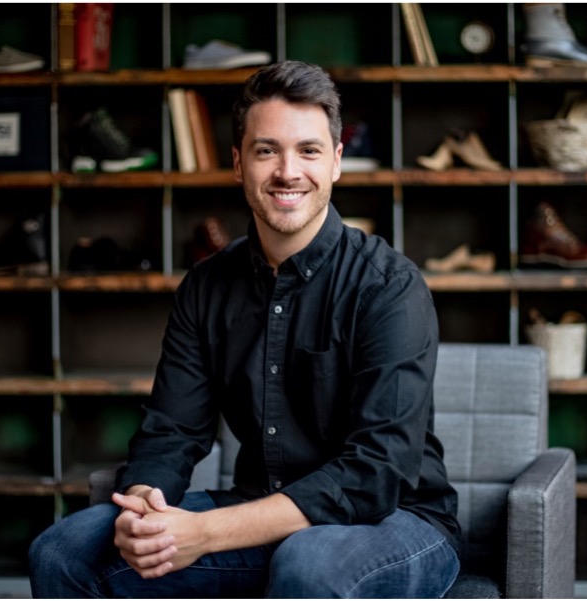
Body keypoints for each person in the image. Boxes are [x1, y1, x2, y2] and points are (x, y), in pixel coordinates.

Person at [29, 60, 461, 599]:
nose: (287, 171)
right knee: (63, 552)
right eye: (266, 150)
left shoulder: (389, 286)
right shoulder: (206, 287)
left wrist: (204, 533)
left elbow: (377, 471)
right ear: (238, 163)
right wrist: (145, 507)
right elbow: (173, 431)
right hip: (260, 512)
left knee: (309, 564)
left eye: (308, 150)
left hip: (395, 523)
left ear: (336, 164)